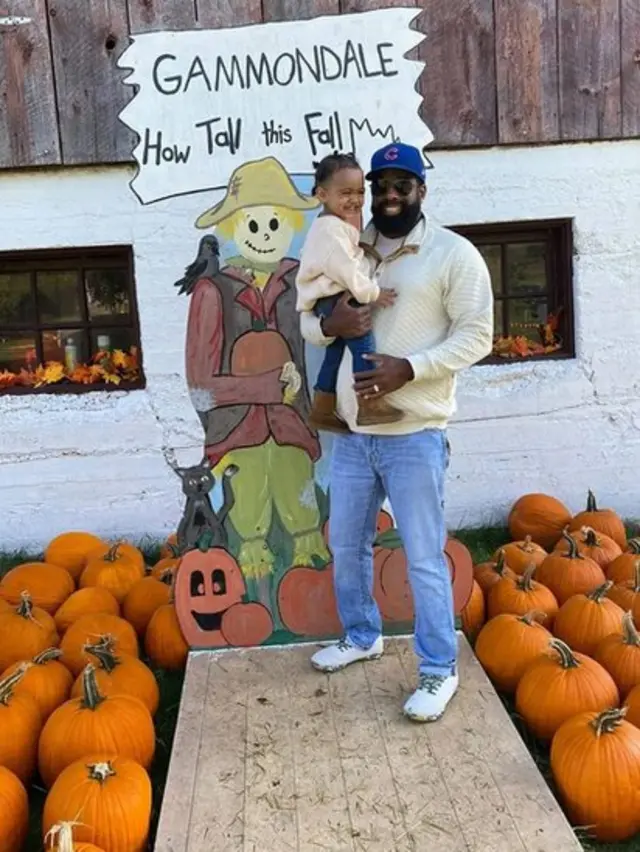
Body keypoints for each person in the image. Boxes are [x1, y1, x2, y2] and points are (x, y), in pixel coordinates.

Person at [299, 141, 494, 722]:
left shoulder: (452, 254)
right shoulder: (348, 244)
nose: (387, 196)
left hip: (414, 433)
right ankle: (362, 636)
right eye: (378, 186)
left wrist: (411, 368)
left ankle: (439, 669)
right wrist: (327, 326)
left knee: (423, 557)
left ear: (420, 190)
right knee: (347, 546)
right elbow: (308, 320)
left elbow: (478, 335)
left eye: (400, 185)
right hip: (353, 435)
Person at [295, 151, 403, 432]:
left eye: (359, 192)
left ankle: (322, 408)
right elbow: (347, 271)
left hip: (329, 299)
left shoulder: (334, 225)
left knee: (334, 354)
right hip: (338, 298)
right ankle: (369, 404)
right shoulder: (330, 231)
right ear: (322, 194)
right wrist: (373, 293)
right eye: (345, 193)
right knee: (364, 349)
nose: (354, 199)